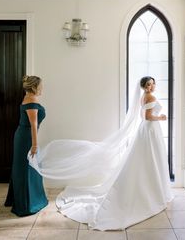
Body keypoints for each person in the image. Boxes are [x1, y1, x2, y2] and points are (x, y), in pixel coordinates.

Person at [29, 76, 173, 230]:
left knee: (148, 161)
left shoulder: (144, 97)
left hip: (146, 131)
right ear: (144, 87)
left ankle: (152, 190)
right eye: (148, 85)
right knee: (150, 161)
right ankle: (154, 192)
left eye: (153, 84)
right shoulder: (149, 96)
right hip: (150, 131)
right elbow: (147, 116)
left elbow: (141, 116)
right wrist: (161, 118)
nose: (151, 87)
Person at [5, 75, 48, 216]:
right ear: (35, 87)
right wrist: (35, 144)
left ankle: (21, 199)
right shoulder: (32, 99)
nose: (42, 88)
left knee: (25, 168)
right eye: (41, 86)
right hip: (26, 138)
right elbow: (33, 125)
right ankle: (27, 204)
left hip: (22, 136)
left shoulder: (27, 97)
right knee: (26, 168)